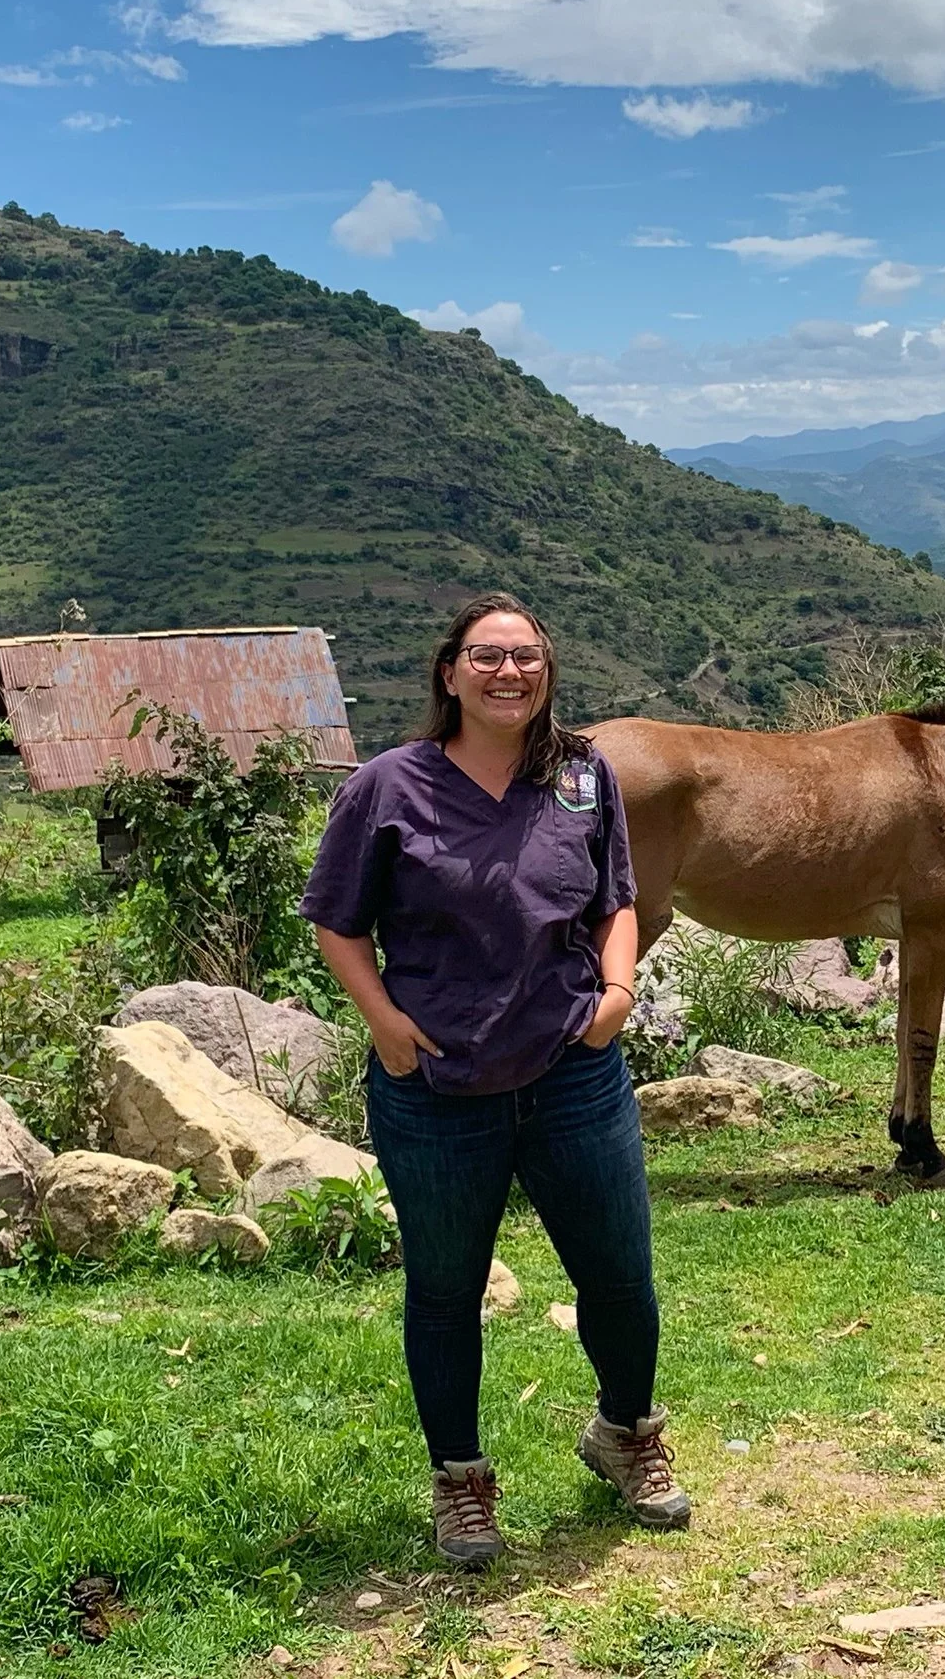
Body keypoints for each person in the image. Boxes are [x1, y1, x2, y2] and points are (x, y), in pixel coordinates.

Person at [303, 591, 691, 1567]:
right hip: (436, 1085)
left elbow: (617, 899)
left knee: (619, 1277)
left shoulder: (580, 776)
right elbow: (336, 923)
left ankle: (624, 1433)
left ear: (547, 670)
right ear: (450, 674)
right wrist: (387, 1027)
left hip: (572, 1070)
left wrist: (615, 988)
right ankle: (461, 1482)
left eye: (525, 656)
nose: (508, 672)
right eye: (486, 657)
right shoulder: (387, 789)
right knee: (446, 1289)